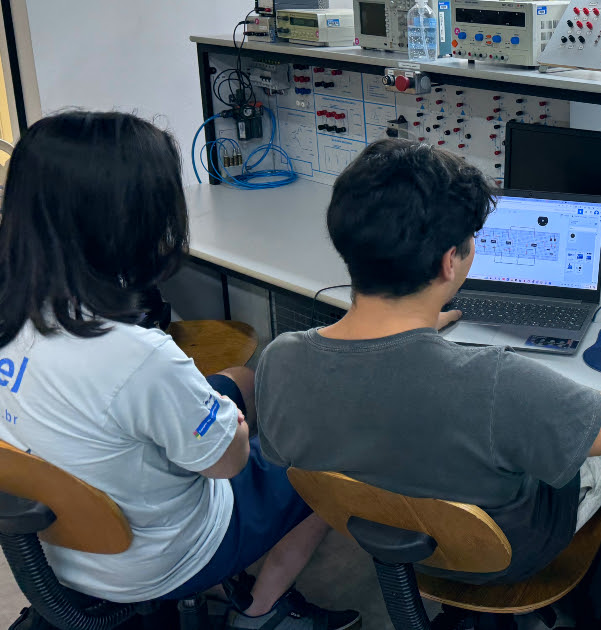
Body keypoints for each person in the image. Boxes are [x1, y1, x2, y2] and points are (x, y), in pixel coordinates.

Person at [255, 139, 601, 584]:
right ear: (449, 263)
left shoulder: (280, 360)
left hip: (377, 536)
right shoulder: (495, 383)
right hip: (503, 556)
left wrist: (414, 325)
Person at [0, 112, 360, 630]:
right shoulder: (137, 356)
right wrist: (233, 428)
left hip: (54, 545)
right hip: (162, 558)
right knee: (330, 440)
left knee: (244, 378)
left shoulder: (19, 315)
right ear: (134, 222)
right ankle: (263, 609)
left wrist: (218, 410)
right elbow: (228, 464)